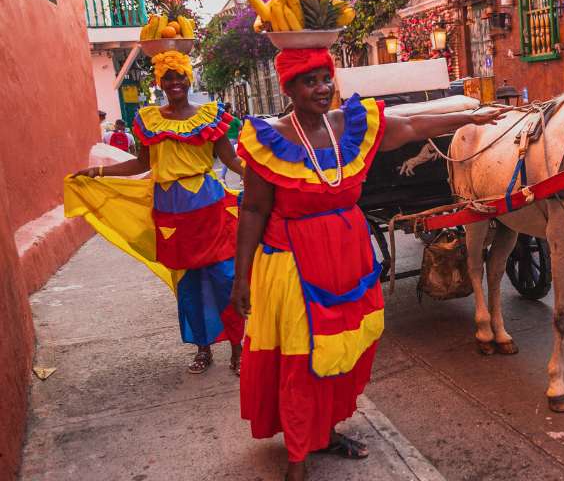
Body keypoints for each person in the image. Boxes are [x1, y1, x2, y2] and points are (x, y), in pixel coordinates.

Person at [231, 47, 504, 481]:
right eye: (309, 81)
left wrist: (469, 118)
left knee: (346, 348)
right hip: (293, 265)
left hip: (348, 254)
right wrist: (241, 276)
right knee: (304, 359)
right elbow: (252, 211)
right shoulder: (270, 140)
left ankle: (325, 430)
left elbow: (413, 125)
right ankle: (298, 454)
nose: (321, 89)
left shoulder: (349, 125)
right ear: (289, 87)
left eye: (325, 78)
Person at [66, 50, 247, 375]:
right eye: (168, 77)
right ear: (160, 81)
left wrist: (263, 174)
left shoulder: (209, 115)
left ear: (188, 79)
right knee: (188, 287)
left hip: (209, 210)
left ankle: (238, 348)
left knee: (224, 280)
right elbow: (143, 164)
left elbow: (231, 161)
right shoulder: (148, 119)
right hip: (170, 213)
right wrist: (97, 174)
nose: (174, 82)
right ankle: (202, 349)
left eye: (179, 76)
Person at [220, 102, 243, 180]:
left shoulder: (222, 119)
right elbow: (240, 126)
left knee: (227, 160)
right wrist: (237, 131)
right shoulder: (234, 118)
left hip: (226, 141)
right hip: (235, 140)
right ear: (229, 109)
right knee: (239, 159)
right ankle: (242, 178)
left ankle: (222, 177)